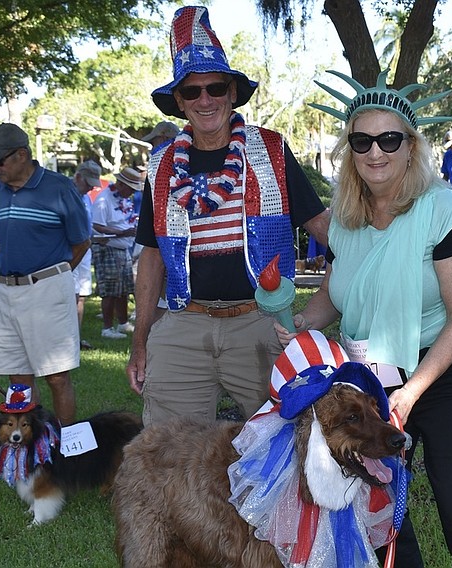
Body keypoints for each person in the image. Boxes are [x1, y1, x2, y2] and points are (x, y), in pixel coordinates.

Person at [279, 69, 452, 567]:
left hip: (447, 367)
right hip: (372, 377)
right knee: (376, 506)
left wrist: (412, 390)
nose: (375, 152)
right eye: (362, 141)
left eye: (388, 139)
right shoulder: (346, 215)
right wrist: (300, 327)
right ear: (350, 150)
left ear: (411, 146)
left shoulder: (440, 207)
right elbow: (341, 294)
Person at [126, 5, 329, 426]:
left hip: (260, 321)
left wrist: (376, 250)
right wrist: (141, 339)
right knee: (169, 451)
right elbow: (150, 255)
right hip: (184, 320)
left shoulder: (269, 150)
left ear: (232, 93)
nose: (206, 100)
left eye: (215, 88)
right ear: (179, 102)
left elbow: (320, 226)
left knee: (286, 436)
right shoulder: (162, 164)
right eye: (193, 91)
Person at [0, 123, 90, 426]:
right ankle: (30, 446)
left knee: (56, 376)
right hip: (3, 290)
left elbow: (81, 241)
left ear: (22, 155)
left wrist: (55, 278)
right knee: (18, 378)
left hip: (46, 289)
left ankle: (66, 448)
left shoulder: (59, 187)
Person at [92, 166, 141, 339]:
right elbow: (96, 225)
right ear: (121, 185)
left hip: (122, 247)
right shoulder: (104, 199)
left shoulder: (124, 200)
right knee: (110, 290)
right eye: (131, 189)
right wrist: (122, 232)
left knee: (124, 289)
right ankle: (106, 328)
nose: (132, 193)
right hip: (107, 247)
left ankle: (122, 323)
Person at [73, 160, 101, 350]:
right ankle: (66, 339)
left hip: (85, 248)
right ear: (78, 177)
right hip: (70, 249)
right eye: (88, 184)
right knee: (70, 295)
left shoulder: (86, 198)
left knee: (81, 295)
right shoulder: (66, 194)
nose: (91, 188)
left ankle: (76, 338)